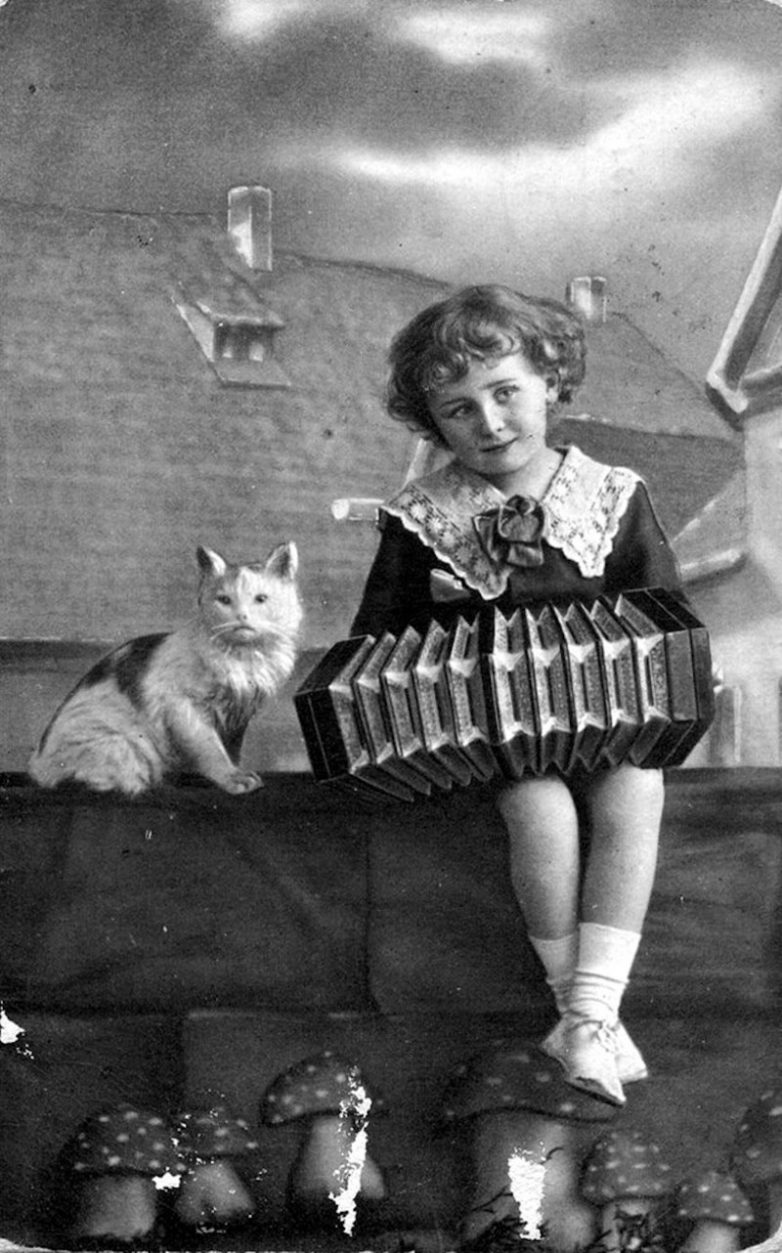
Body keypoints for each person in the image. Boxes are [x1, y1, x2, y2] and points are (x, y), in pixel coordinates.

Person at [351, 284, 689, 1107]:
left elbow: (669, 622)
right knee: (538, 805)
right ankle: (585, 1014)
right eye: (459, 409)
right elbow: (372, 647)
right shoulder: (423, 515)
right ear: (434, 424)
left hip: (607, 728)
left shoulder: (613, 494)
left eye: (507, 392)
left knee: (638, 784)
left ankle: (590, 1011)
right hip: (487, 743)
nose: (491, 421)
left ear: (551, 382)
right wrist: (439, 618)